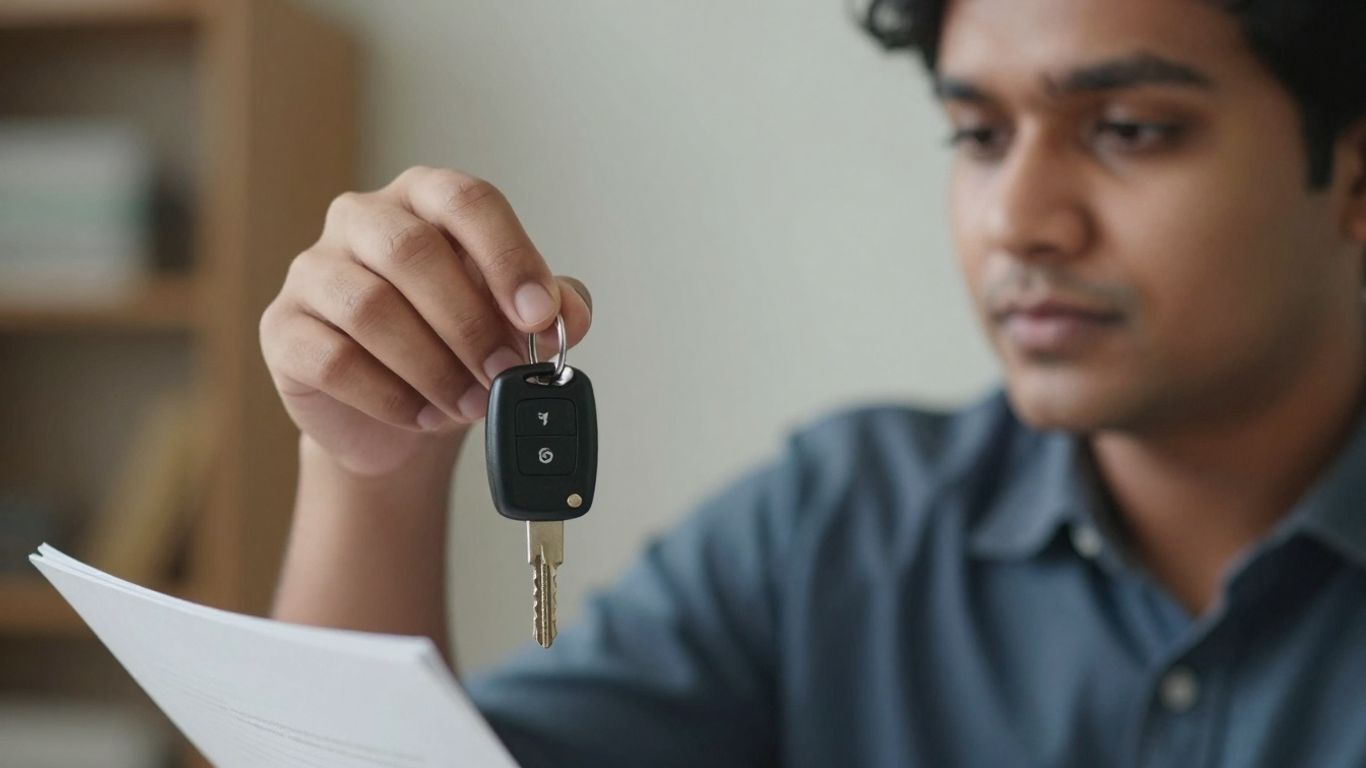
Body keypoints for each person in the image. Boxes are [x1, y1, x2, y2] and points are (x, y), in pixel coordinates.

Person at [261, 0, 1366, 764]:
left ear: (1351, 180)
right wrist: (376, 469)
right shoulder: (831, 527)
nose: (1019, 219)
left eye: (1129, 130)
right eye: (977, 134)